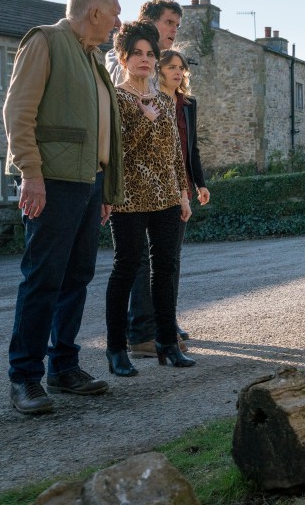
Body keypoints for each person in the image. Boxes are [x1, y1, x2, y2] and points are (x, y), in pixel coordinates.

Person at [3, 0, 124, 415]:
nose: (118, 23)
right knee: (43, 278)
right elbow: (18, 111)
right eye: (115, 13)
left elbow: (101, 128)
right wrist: (30, 173)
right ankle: (25, 378)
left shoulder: (93, 58)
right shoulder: (46, 41)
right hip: (52, 180)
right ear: (95, 13)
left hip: (88, 183)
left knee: (76, 277)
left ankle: (64, 367)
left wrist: (105, 189)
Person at [104, 21, 194, 376]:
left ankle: (167, 343)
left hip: (166, 199)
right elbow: (116, 152)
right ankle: (115, 350)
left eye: (150, 54)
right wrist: (144, 119)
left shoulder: (161, 98)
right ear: (124, 58)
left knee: (166, 269)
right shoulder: (118, 97)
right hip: (128, 198)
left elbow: (174, 151)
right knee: (125, 269)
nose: (145, 59)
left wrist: (182, 193)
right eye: (138, 54)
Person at [121, 50, 209, 354]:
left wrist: (199, 183)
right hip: (150, 186)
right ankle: (147, 328)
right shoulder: (150, 98)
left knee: (171, 259)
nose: (178, 72)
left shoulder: (188, 105)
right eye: (171, 67)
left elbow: (190, 149)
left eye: (181, 68)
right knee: (146, 261)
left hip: (179, 186)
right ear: (159, 70)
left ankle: (167, 320)